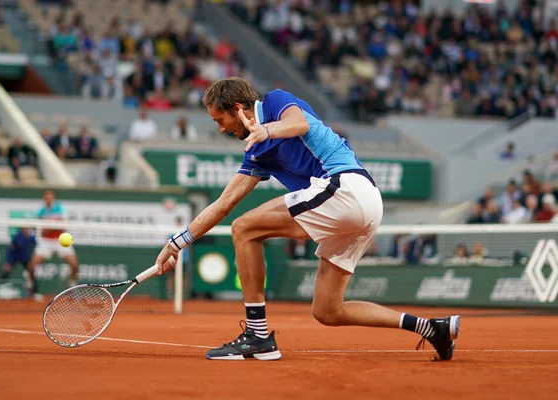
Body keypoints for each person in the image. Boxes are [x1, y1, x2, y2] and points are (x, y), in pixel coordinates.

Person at [153, 77, 460, 361]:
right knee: (328, 310)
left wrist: (267, 130)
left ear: (237, 108)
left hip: (346, 189)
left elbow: (298, 124)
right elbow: (223, 203)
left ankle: (257, 336)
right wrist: (176, 243)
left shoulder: (274, 102)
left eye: (220, 120)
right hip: (362, 207)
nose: (221, 129)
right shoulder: (256, 153)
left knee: (244, 229)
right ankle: (432, 328)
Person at [27, 189, 78, 300]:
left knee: (74, 264)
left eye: (51, 196)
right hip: (46, 242)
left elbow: (62, 224)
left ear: (53, 198)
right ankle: (30, 287)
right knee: (32, 265)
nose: (49, 198)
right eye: (47, 197)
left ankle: (72, 287)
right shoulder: (40, 211)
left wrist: (50, 227)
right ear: (44, 198)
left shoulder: (60, 208)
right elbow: (40, 229)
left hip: (60, 239)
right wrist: (49, 228)